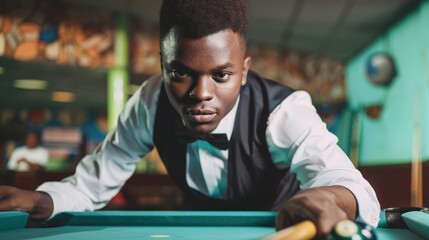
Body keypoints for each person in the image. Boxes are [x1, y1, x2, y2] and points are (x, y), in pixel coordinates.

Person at [0, 0, 380, 238]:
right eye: (180, 73)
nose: (201, 93)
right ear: (162, 67)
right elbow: (88, 188)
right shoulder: (149, 101)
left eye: (221, 75)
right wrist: (40, 199)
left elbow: (350, 185)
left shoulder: (284, 109)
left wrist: (329, 196)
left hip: (284, 231)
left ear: (244, 72)